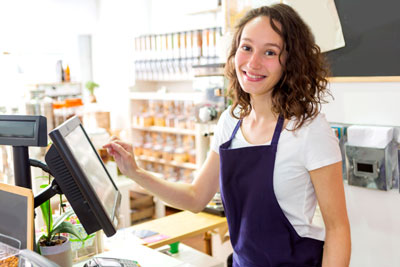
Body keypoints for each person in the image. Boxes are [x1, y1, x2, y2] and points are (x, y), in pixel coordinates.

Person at [104, 4, 351, 267]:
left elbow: (338, 230)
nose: (253, 62)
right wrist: (135, 172)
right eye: (246, 48)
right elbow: (195, 197)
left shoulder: (309, 130)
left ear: (290, 62)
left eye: (270, 52)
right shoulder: (230, 122)